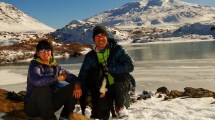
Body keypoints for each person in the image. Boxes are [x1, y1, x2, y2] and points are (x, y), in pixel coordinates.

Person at [78, 25, 134, 119]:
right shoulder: (90, 56)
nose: (100, 39)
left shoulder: (117, 49)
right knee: (101, 115)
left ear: (106, 37)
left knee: (122, 75)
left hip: (117, 84)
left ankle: (120, 107)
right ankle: (89, 104)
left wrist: (110, 69)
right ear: (94, 39)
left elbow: (130, 65)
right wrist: (78, 85)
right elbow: (83, 75)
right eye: (97, 36)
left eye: (102, 35)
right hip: (101, 88)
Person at [24, 40, 82, 120]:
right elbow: (36, 81)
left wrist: (77, 84)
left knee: (73, 87)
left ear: (51, 52)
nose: (45, 53)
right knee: (43, 88)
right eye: (42, 51)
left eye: (48, 50)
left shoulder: (55, 66)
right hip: (33, 107)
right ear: (37, 53)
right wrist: (56, 79)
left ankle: (64, 116)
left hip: (49, 105)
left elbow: (69, 76)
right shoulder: (35, 66)